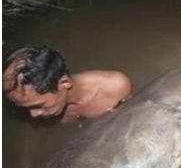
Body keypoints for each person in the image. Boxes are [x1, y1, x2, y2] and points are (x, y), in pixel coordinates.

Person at [3, 47, 133, 123]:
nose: (33, 115)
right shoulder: (27, 102)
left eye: (38, 106)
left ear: (64, 83)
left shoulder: (115, 87)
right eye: (24, 108)